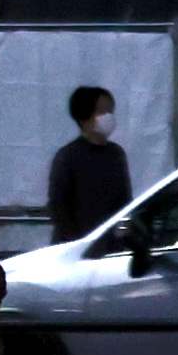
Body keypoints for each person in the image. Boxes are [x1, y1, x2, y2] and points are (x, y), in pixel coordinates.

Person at [40, 84, 133, 241]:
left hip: (111, 247)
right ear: (84, 117)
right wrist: (78, 243)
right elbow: (58, 207)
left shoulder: (116, 154)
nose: (108, 117)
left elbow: (124, 201)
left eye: (110, 111)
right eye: (102, 112)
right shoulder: (68, 156)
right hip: (75, 248)